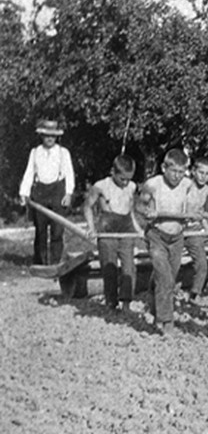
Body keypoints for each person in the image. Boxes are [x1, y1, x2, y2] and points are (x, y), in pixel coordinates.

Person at [137, 149, 192, 335]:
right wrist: (147, 213)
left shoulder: (187, 185)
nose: (177, 176)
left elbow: (193, 204)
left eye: (181, 171)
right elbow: (139, 205)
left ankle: (153, 300)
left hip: (177, 238)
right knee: (166, 279)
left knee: (167, 276)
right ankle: (167, 321)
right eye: (173, 171)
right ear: (163, 167)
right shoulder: (153, 185)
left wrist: (194, 214)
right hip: (156, 235)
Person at [83, 155, 141, 312]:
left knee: (129, 267)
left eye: (128, 179)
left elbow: (131, 210)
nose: (125, 183)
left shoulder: (132, 186)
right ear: (112, 172)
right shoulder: (100, 186)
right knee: (109, 267)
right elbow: (88, 207)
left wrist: (138, 229)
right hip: (107, 228)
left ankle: (126, 303)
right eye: (122, 179)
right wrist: (91, 228)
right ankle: (111, 302)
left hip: (126, 228)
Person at [19, 119, 76, 266]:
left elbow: (69, 174)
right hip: (40, 193)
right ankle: (41, 263)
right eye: (46, 135)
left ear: (57, 137)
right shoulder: (35, 152)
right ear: (41, 136)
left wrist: (68, 193)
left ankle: (55, 263)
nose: (50, 138)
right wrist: (24, 193)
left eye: (52, 136)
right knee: (40, 231)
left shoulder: (63, 153)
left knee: (57, 231)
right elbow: (29, 173)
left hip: (57, 192)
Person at [183, 157, 208, 303]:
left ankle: (194, 294)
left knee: (202, 264)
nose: (203, 176)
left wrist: (207, 227)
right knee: (169, 262)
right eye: (201, 172)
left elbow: (201, 212)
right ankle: (158, 290)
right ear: (193, 172)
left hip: (194, 231)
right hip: (179, 228)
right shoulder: (185, 185)